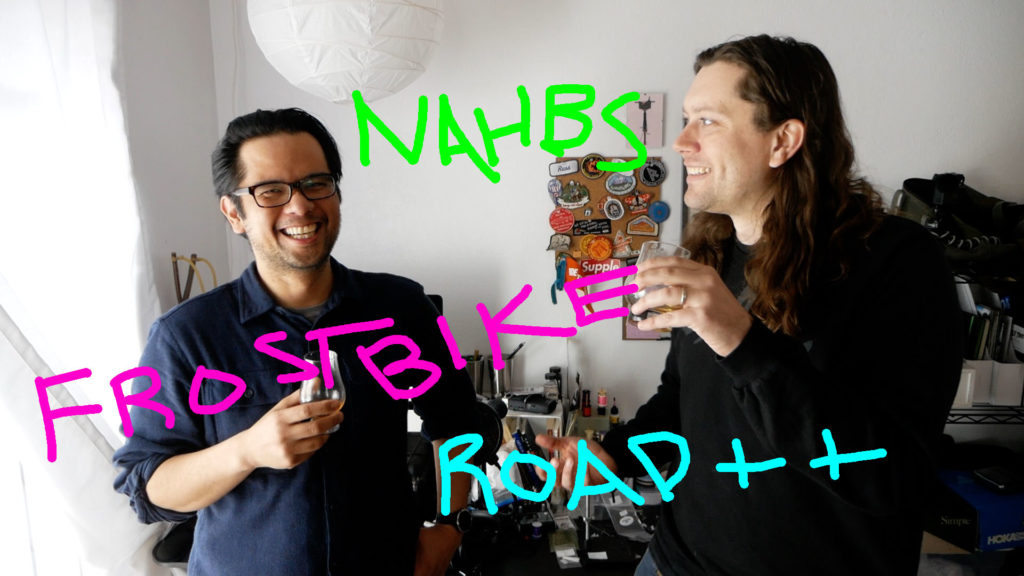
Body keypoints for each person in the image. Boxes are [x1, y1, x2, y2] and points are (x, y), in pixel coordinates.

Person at [537, 35, 962, 575]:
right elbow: (682, 400)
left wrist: (740, 339)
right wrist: (614, 452)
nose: (682, 141)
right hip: (674, 561)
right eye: (686, 119)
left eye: (707, 121)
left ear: (782, 141)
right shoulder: (709, 251)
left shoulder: (898, 262)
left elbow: (891, 477)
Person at [113, 108, 476, 576]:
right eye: (270, 191)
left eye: (315, 183)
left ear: (336, 194)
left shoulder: (402, 307)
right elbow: (146, 486)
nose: (300, 206)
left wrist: (448, 527)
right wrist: (247, 450)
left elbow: (457, 421)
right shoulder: (186, 335)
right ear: (234, 212)